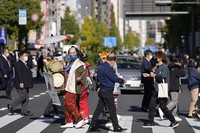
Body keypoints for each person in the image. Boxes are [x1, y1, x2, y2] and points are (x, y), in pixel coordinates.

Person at [88, 54, 127, 132]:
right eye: (115, 61)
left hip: (102, 90)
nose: (114, 63)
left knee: (98, 109)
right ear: (112, 60)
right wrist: (123, 81)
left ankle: (92, 126)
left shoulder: (101, 67)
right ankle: (116, 127)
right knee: (112, 110)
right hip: (107, 91)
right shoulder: (107, 68)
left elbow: (98, 78)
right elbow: (114, 77)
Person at [143, 51, 179, 128]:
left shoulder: (164, 67)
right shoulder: (158, 67)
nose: (156, 58)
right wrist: (148, 75)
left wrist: (154, 75)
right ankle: (151, 122)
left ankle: (173, 121)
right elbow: (156, 76)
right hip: (157, 90)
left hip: (162, 90)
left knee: (163, 107)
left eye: (157, 57)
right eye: (156, 56)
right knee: (151, 106)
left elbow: (162, 78)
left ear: (161, 58)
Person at [60, 47, 86, 129]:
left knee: (70, 104)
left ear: (77, 53)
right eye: (70, 53)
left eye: (73, 53)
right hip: (68, 86)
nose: (72, 54)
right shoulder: (70, 63)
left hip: (74, 87)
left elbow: (83, 75)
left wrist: (80, 79)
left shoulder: (79, 64)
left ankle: (79, 119)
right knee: (66, 104)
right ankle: (69, 121)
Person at [7, 51, 33, 116]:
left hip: (26, 83)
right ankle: (11, 106)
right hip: (21, 83)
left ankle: (24, 111)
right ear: (21, 56)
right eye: (25, 55)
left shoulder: (25, 63)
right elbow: (19, 74)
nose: (26, 57)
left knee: (26, 97)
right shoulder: (18, 63)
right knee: (23, 96)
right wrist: (21, 82)